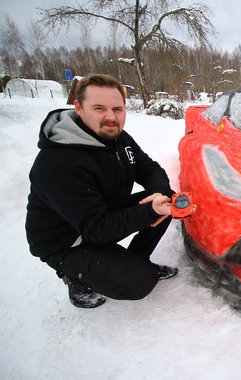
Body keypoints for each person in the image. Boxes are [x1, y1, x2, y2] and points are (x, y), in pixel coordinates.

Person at [26, 73, 177, 308]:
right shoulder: (60, 163)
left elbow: (149, 168)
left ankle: (137, 262)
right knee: (140, 284)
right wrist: (150, 211)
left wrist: (158, 194)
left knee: (170, 202)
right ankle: (73, 275)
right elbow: (96, 229)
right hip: (68, 242)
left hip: (102, 215)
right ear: (79, 107)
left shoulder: (118, 137)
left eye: (117, 109)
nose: (111, 117)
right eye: (99, 108)